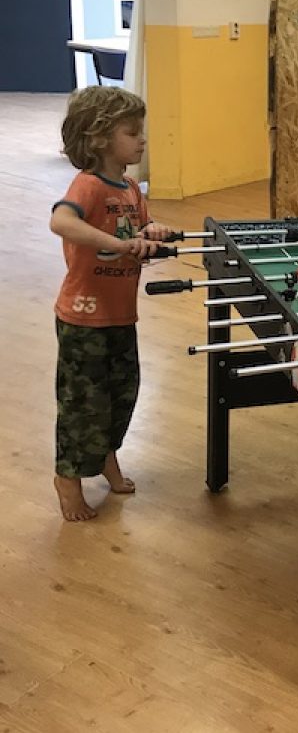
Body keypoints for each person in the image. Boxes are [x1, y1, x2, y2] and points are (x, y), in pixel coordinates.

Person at [50, 86, 172, 521]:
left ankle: (106, 457)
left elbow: (143, 224)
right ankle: (69, 477)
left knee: (123, 394)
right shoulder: (88, 185)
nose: (142, 141)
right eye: (132, 132)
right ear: (99, 138)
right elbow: (60, 221)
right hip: (83, 318)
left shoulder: (131, 187)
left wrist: (155, 230)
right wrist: (119, 245)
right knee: (85, 402)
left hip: (122, 315)